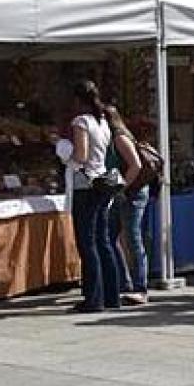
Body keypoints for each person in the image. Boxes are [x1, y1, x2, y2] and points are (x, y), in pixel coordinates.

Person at [66, 81, 127, 313]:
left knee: (87, 241)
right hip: (103, 183)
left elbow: (81, 155)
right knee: (103, 239)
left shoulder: (81, 122)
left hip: (87, 185)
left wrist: (65, 156)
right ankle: (112, 294)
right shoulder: (102, 122)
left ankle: (93, 297)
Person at [103, 106, 149, 306]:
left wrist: (121, 187)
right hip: (120, 193)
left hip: (132, 193)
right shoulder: (109, 139)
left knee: (132, 238)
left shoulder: (120, 138)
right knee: (110, 236)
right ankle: (123, 282)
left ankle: (140, 287)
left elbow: (136, 165)